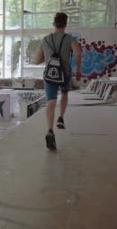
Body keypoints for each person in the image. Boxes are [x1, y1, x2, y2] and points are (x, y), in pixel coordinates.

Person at [35, 12, 82, 150]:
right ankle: (61, 117)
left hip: (49, 75)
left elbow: (37, 60)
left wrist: (49, 58)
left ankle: (50, 130)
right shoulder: (70, 39)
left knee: (51, 102)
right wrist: (78, 68)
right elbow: (78, 53)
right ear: (65, 24)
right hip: (65, 73)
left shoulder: (46, 40)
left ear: (53, 24)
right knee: (65, 93)